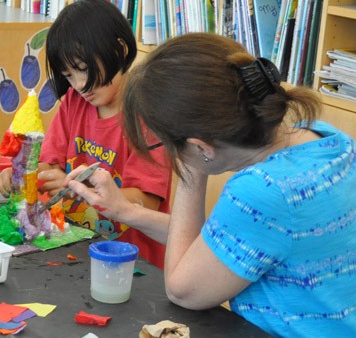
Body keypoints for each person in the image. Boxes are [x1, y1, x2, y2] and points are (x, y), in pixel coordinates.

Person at [66, 33, 356, 337]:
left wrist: (191, 172)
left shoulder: (262, 191)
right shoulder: (327, 140)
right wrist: (124, 210)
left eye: (167, 145)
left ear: (202, 148)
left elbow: (181, 290)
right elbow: (218, 245)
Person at [0, 0, 172, 268]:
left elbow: (145, 202)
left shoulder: (149, 116)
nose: (80, 85)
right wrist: (23, 173)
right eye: (69, 76)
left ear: (120, 49)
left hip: (133, 263)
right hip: (79, 246)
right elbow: (49, 164)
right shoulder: (74, 103)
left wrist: (80, 189)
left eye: (84, 70)